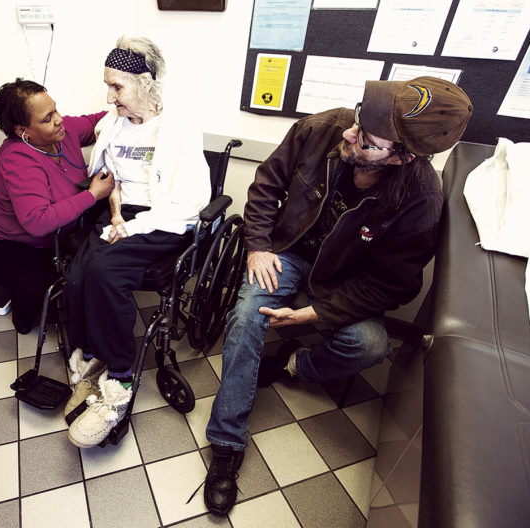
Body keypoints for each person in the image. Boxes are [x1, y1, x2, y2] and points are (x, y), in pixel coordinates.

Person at [202, 76, 473, 515]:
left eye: (365, 139)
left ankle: (292, 365)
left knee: (372, 344)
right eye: (358, 120)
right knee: (246, 317)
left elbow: (391, 285)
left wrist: (317, 314)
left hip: (343, 283)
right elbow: (267, 184)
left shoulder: (421, 200)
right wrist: (258, 246)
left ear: (402, 157)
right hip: (285, 254)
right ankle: (227, 443)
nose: (350, 133)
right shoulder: (324, 127)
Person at [63, 36, 211, 448]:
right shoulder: (112, 126)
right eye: (107, 85)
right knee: (78, 273)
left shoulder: (178, 129)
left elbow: (192, 199)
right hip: (121, 217)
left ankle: (122, 379)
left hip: (164, 219)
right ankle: (93, 354)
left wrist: (136, 226)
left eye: (117, 87)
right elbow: (113, 182)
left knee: (106, 273)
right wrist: (114, 216)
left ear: (145, 83)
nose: (109, 97)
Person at [0, 79, 114, 334]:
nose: (59, 120)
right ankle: (24, 316)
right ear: (23, 132)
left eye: (55, 110)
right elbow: (38, 221)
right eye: (47, 118)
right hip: (4, 244)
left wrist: (129, 109)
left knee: (84, 272)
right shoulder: (18, 159)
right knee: (37, 288)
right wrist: (92, 194)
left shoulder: (63, 131)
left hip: (52, 239)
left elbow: (99, 122)